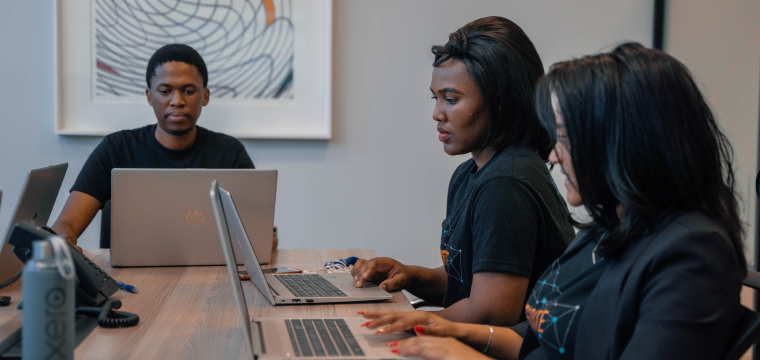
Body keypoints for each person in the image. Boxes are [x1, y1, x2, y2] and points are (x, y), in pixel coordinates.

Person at [358, 43, 746, 360]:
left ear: (623, 145)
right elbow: (539, 340)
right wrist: (449, 329)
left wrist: (462, 353)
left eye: (567, 138)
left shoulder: (691, 255)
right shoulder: (605, 233)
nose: (555, 155)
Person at [351, 16, 575, 326]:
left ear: (500, 103)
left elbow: (492, 311)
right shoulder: (470, 174)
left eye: (451, 99)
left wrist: (407, 324)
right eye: (436, 97)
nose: (436, 113)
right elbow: (470, 280)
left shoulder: (507, 184)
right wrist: (411, 275)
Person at [51, 44, 269, 249]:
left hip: (208, 278)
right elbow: (67, 224)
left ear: (205, 96)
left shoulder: (230, 152)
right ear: (149, 96)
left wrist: (268, 236)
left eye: (188, 91)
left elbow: (259, 233)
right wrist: (63, 240)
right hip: (127, 281)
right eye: (165, 91)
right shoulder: (116, 148)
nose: (177, 101)